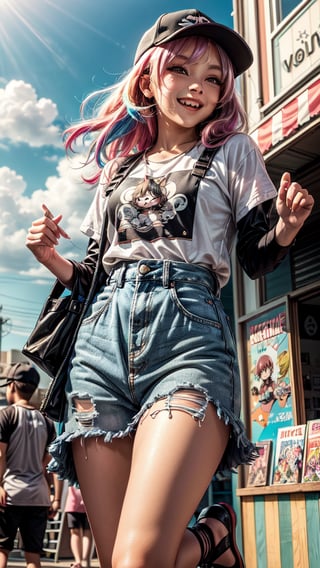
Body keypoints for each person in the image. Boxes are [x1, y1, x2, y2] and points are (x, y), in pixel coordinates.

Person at [25, 8, 314, 568]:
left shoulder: (234, 151)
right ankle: (213, 542)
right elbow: (93, 278)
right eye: (182, 70)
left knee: (141, 559)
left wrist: (286, 224)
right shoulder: (117, 169)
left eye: (213, 79)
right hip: (99, 351)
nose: (197, 88)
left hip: (188, 335)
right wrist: (48, 257)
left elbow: (256, 254)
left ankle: (210, 535)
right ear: (148, 77)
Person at [0, 363, 57, 568]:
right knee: (33, 556)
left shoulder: (6, 415)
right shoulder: (46, 421)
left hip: (10, 494)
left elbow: (0, 454)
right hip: (39, 496)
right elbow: (50, 465)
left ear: (12, 386)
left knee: (2, 550)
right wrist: (55, 497)